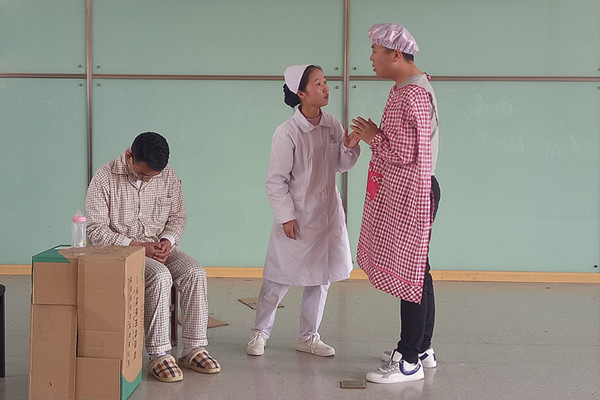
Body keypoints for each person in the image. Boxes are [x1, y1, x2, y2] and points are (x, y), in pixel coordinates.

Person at [85, 132, 220, 383]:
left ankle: (193, 348)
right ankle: (158, 354)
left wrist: (167, 241)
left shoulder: (168, 175)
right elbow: (95, 230)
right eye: (142, 174)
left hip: (159, 248)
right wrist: (137, 246)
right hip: (122, 252)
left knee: (195, 272)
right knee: (159, 276)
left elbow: (178, 217)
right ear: (129, 156)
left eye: (153, 176)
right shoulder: (104, 178)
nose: (147, 180)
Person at [246, 64, 361, 357]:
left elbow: (341, 165)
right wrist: (286, 217)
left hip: (326, 215)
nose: (325, 88)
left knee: (320, 279)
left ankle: (308, 337)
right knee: (278, 278)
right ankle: (260, 332)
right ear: (301, 93)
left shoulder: (332, 123)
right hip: (297, 216)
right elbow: (276, 181)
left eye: (325, 82)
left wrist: (349, 146)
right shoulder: (287, 133)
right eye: (318, 83)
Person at [351, 23, 441, 384]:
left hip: (412, 195)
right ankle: (422, 347)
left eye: (375, 51)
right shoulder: (410, 87)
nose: (371, 58)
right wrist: (377, 134)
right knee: (419, 271)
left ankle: (408, 360)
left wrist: (373, 137)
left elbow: (404, 153)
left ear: (396, 54)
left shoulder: (411, 94)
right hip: (417, 190)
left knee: (410, 276)